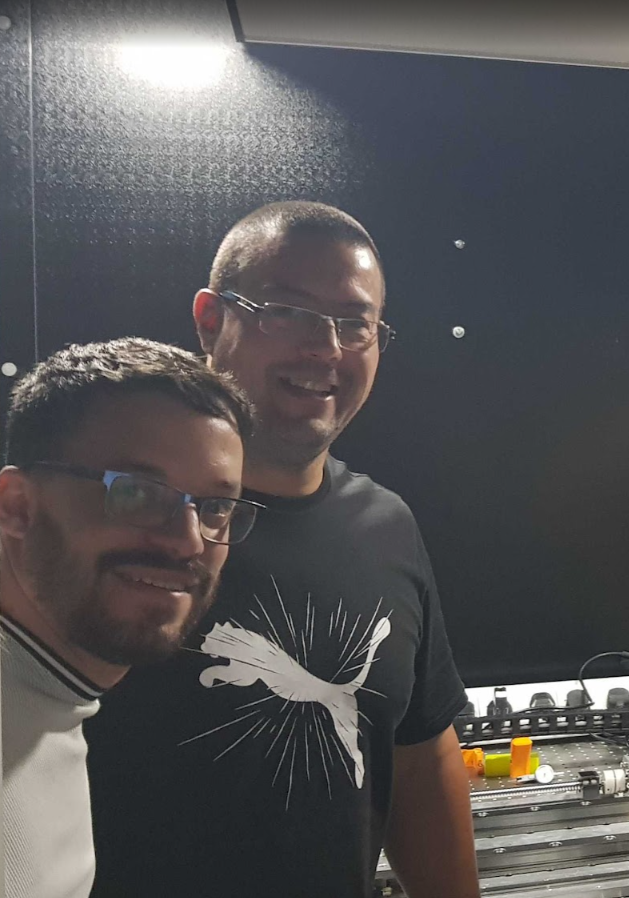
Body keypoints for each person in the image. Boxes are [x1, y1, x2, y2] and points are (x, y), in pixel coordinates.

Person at [84, 202, 480, 898]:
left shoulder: (385, 527)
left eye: (354, 323)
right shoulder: (105, 516)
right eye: (288, 313)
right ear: (211, 320)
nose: (324, 348)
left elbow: (419, 754)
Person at [1, 338, 256, 898]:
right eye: (137, 493)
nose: (188, 542)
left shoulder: (48, 702)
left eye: (215, 507)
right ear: (18, 505)